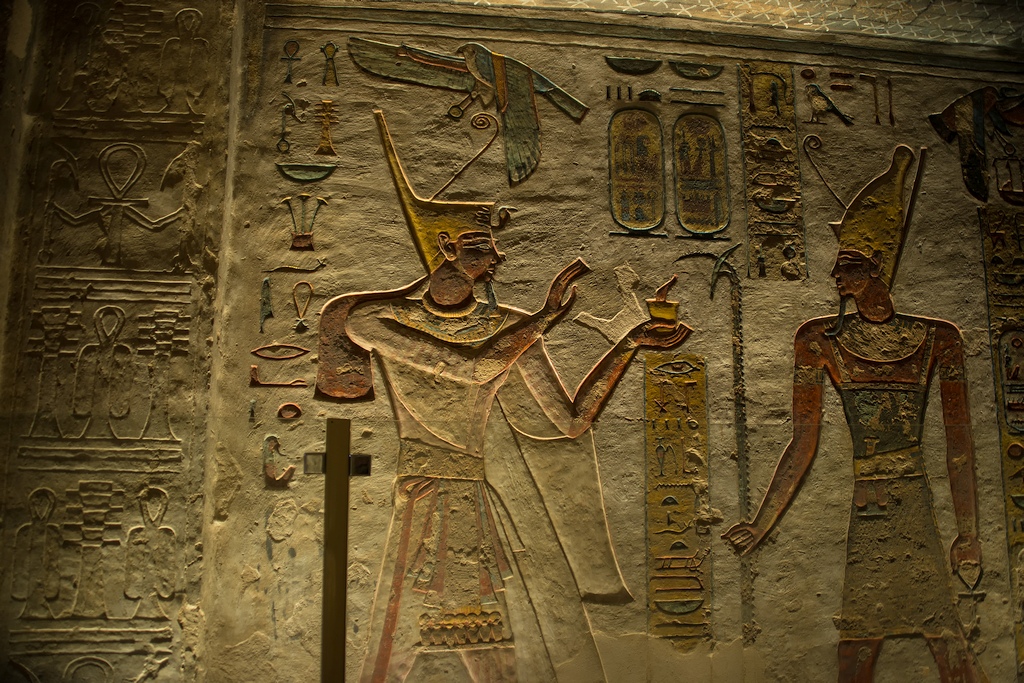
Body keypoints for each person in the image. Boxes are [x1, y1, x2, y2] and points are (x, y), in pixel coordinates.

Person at [317, 110, 690, 682]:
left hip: (475, 500)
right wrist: (543, 320)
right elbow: (466, 369)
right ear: (446, 247)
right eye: (481, 248)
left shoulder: (510, 328)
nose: (497, 259)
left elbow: (570, 423)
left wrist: (629, 345)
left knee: (491, 649)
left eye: (494, 249)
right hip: (422, 498)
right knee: (391, 652)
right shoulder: (376, 318)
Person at [723, 145, 988, 683]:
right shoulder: (817, 339)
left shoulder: (940, 338)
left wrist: (968, 534)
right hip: (868, 510)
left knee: (948, 651)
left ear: (878, 267)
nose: (835, 274)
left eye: (848, 265)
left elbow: (959, 445)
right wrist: (762, 524)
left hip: (915, 507)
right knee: (856, 654)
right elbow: (803, 442)